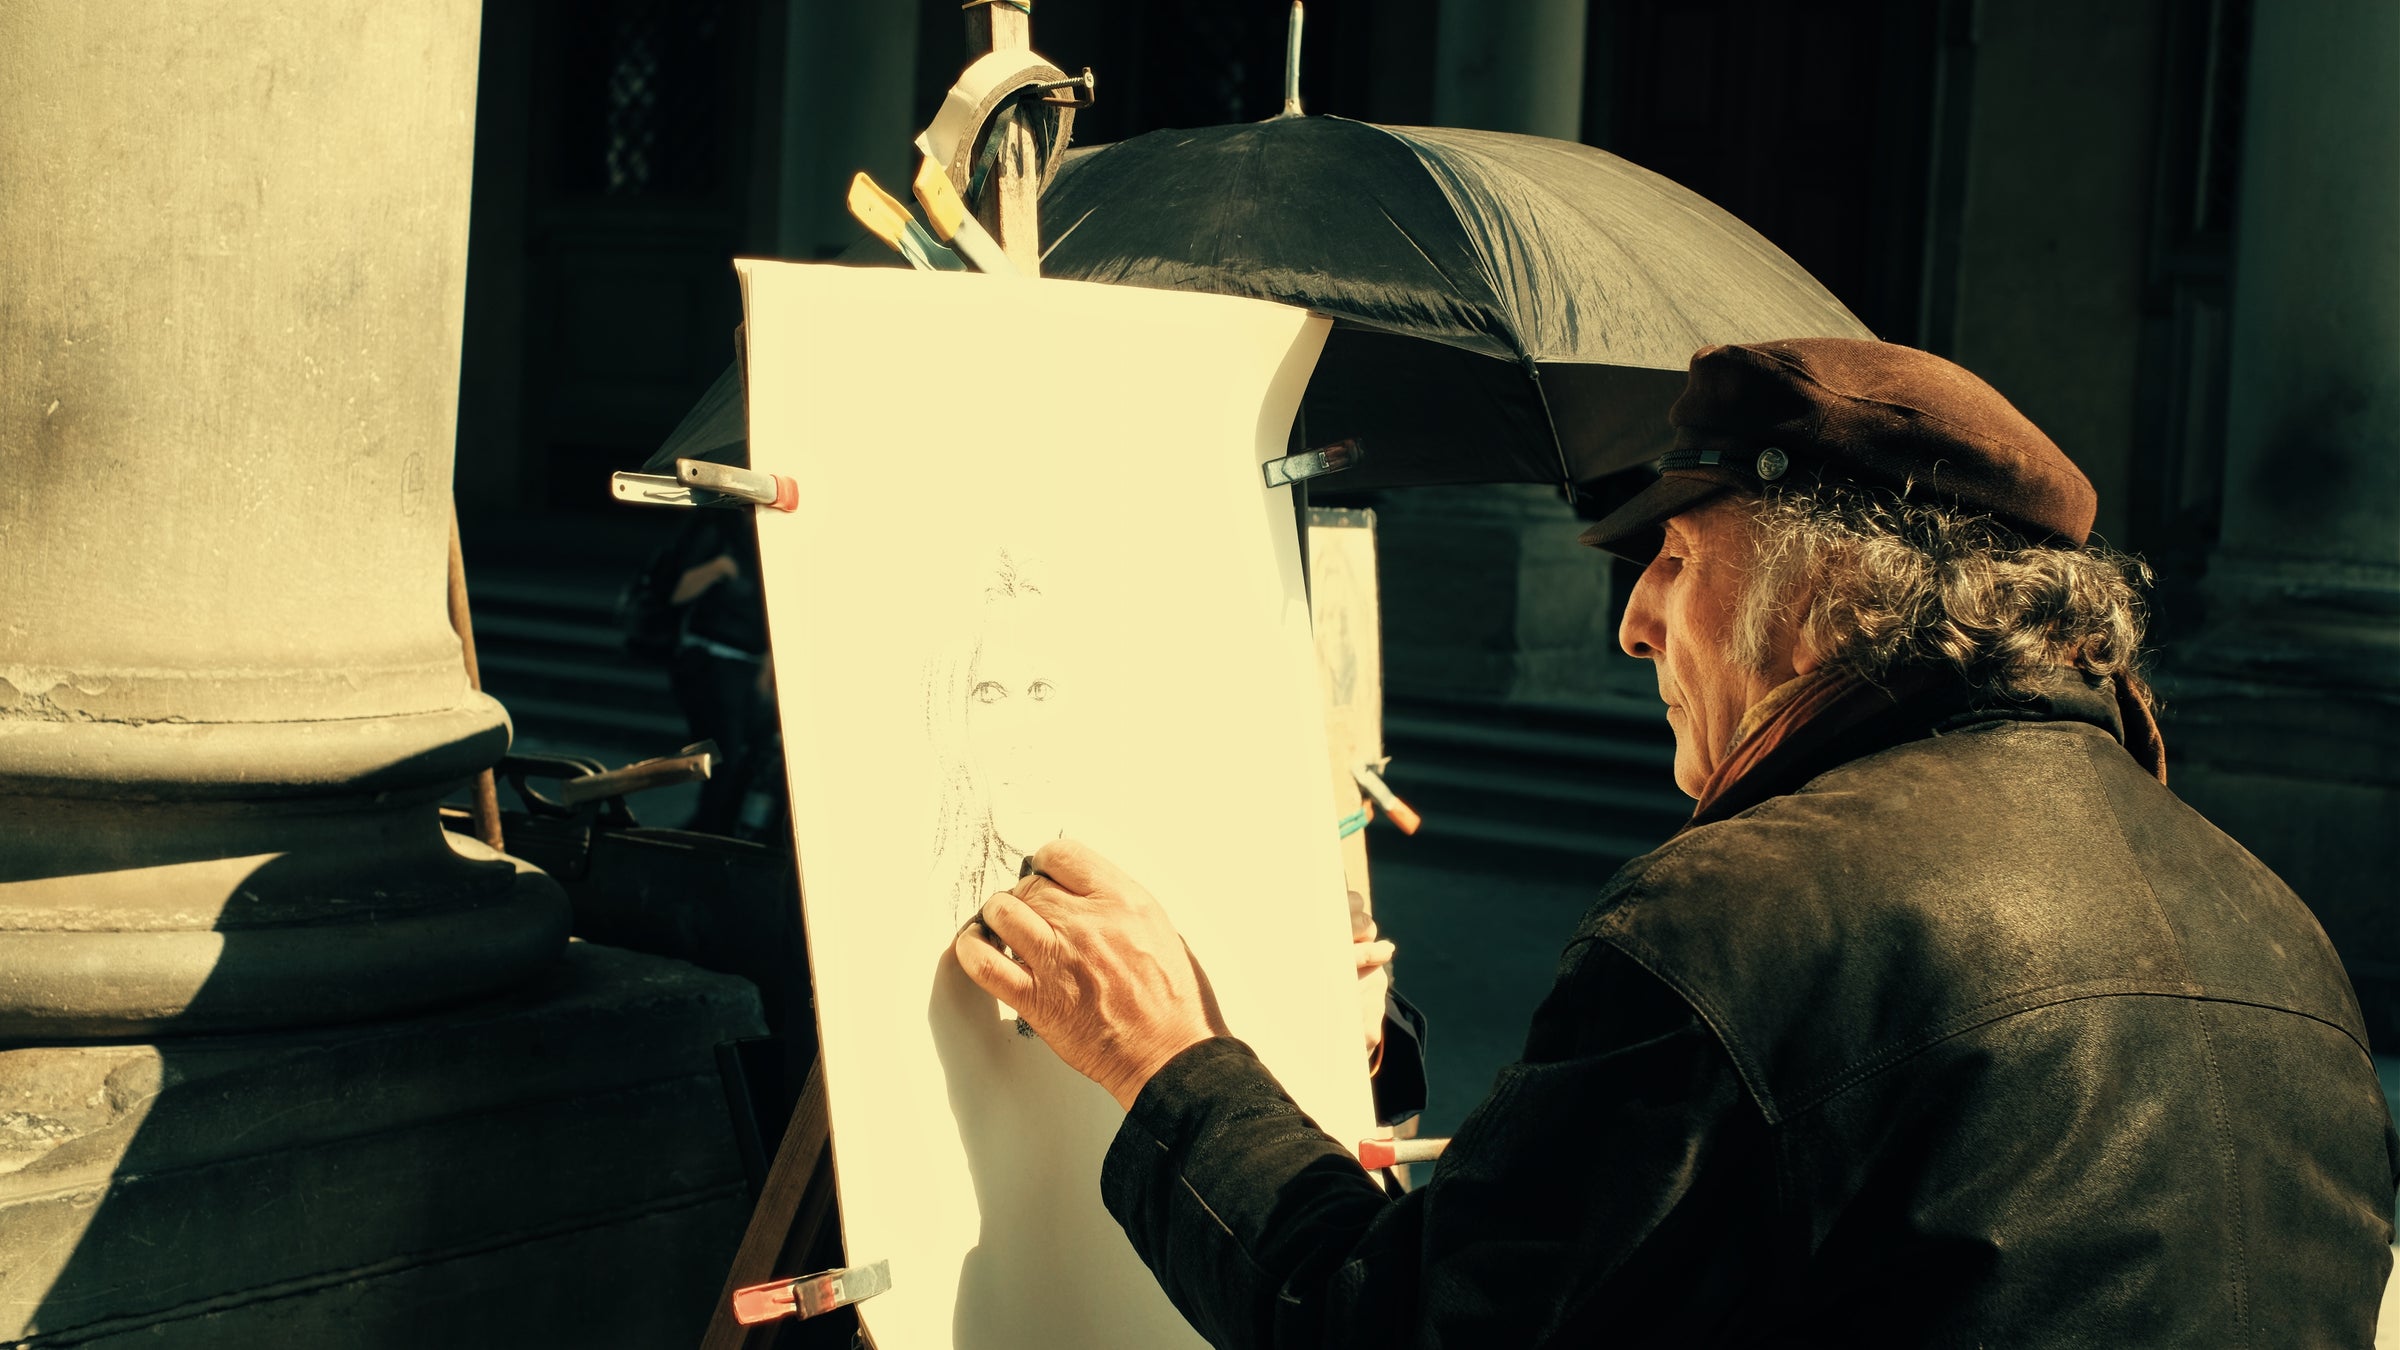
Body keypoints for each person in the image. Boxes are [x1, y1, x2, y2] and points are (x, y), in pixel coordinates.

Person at [952, 339, 2400, 1347]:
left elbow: (1391, 1332)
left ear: (1816, 579)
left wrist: (1166, 1058)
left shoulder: (1746, 917)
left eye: (1676, 555)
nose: (1636, 618)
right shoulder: (2276, 918)